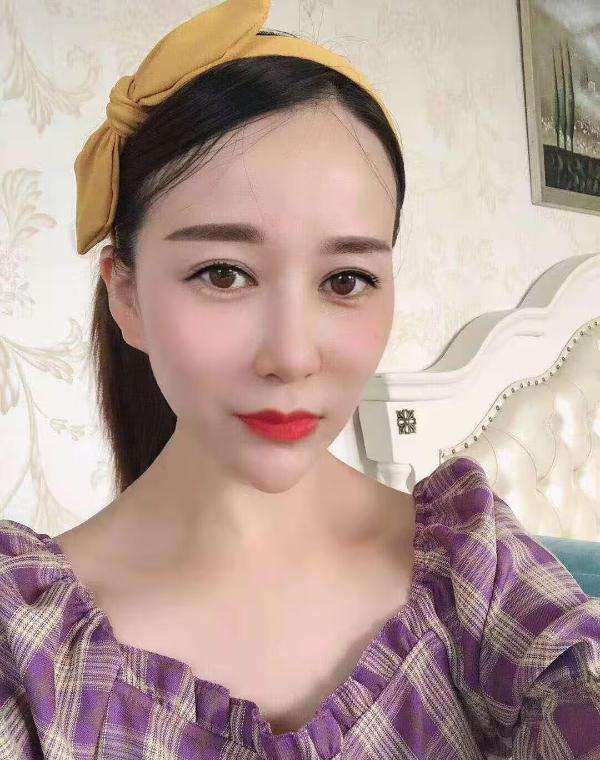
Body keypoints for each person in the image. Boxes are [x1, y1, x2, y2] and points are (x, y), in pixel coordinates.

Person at [0, 1, 599, 758]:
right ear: (127, 295)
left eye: (346, 280)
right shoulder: (30, 653)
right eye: (224, 273)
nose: (291, 356)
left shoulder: (479, 576)